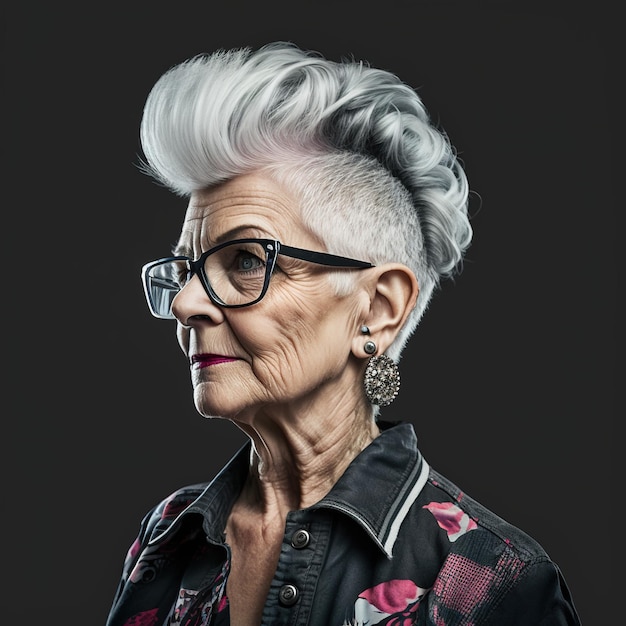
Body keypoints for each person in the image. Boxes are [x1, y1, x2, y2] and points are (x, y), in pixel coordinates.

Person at [105, 41, 581, 626]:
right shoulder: (168, 537)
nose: (185, 302)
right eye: (187, 269)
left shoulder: (489, 579)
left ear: (379, 308)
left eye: (247, 261)